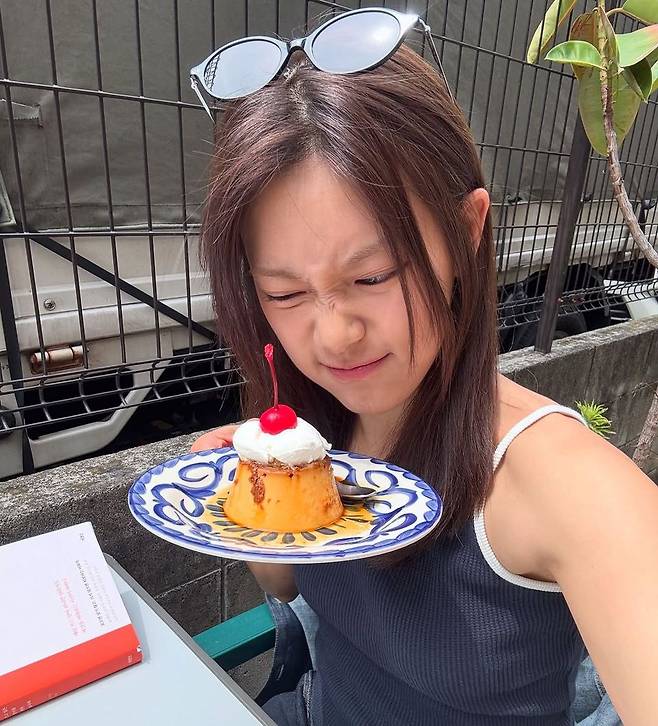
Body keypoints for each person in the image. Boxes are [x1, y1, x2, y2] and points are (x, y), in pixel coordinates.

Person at [189, 7, 658, 724]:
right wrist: (254, 500)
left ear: (467, 233)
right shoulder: (321, 422)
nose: (335, 336)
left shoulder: (562, 483)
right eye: (284, 293)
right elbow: (285, 587)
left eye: (373, 276)